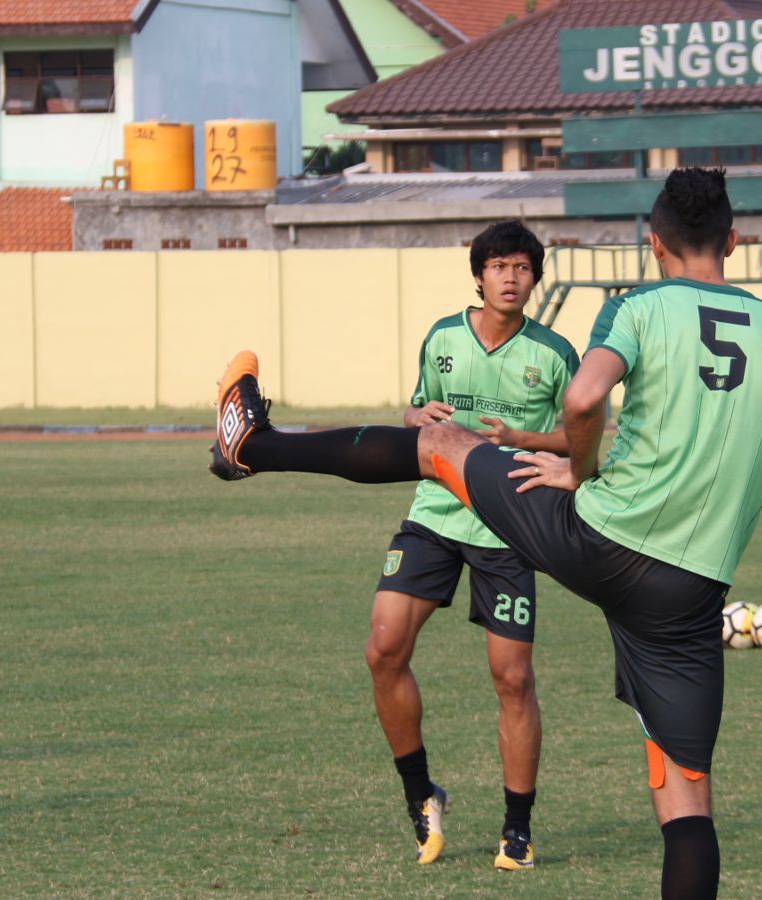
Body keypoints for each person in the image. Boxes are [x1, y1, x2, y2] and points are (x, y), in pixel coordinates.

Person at [209, 167, 762, 898]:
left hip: (598, 538)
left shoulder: (639, 307)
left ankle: (250, 444)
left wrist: (579, 471)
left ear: (654, 244)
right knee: (686, 798)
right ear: (733, 241)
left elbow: (583, 396)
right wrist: (741, 490)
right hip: (689, 588)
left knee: (442, 445)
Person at [218, 221, 578, 871]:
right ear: (478, 275)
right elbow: (415, 414)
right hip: (436, 514)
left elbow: (581, 444)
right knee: (383, 648)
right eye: (498, 265)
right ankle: (422, 798)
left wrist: (527, 435)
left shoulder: (555, 353)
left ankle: (517, 831)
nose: (509, 276)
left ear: (534, 279)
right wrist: (419, 418)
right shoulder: (443, 337)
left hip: (508, 524)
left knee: (513, 678)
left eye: (523, 267)